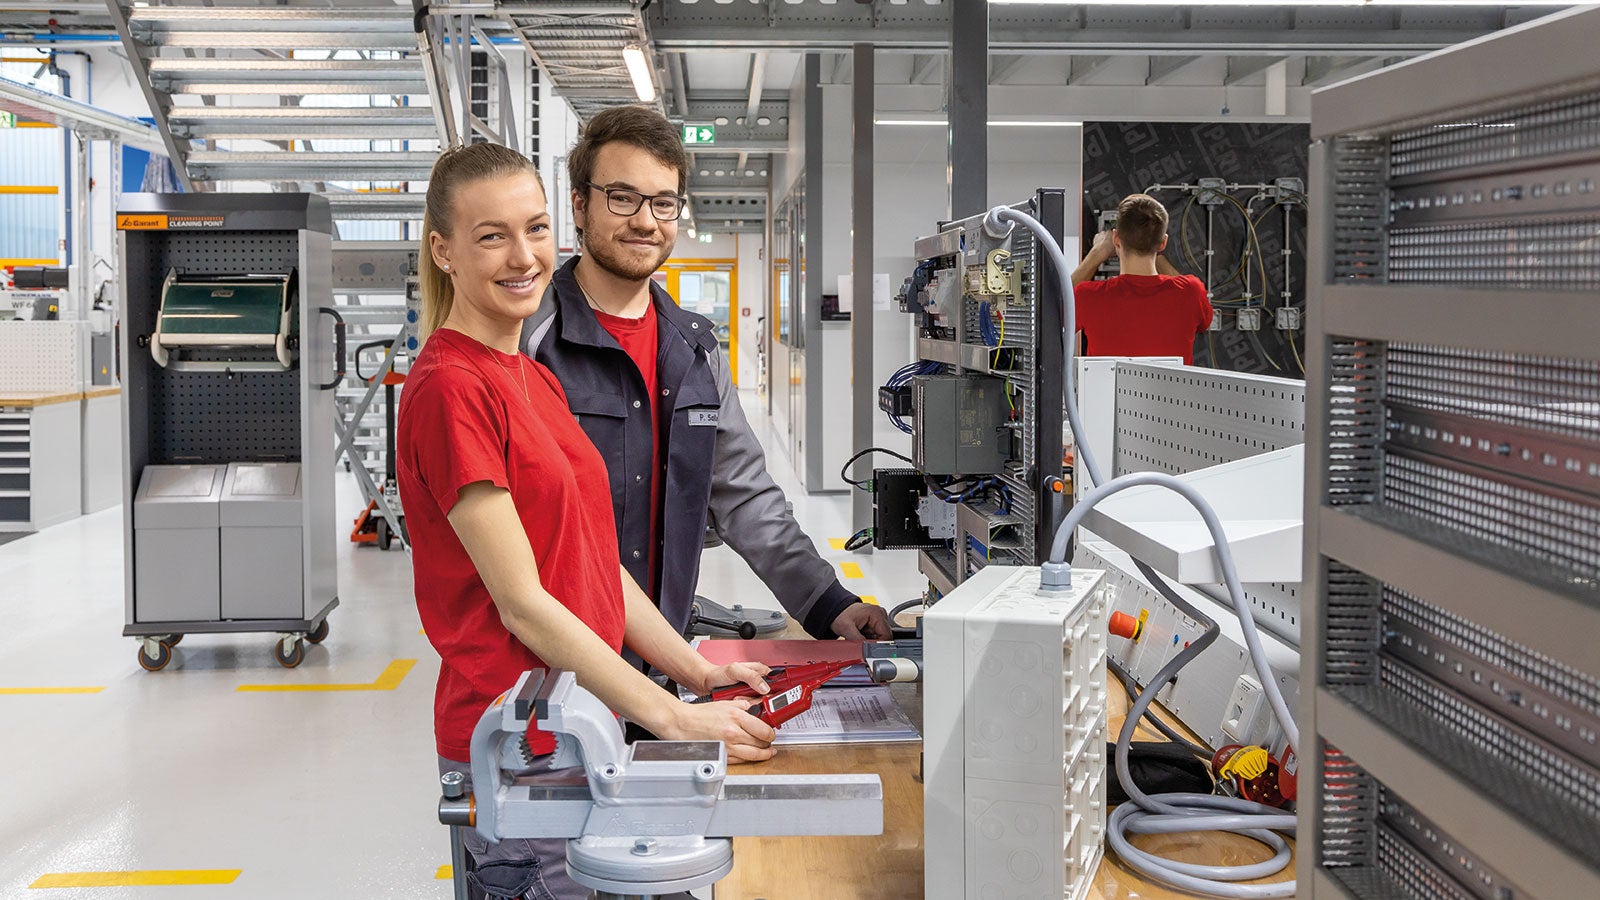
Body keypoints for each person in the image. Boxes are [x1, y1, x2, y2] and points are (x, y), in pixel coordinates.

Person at [396, 142, 777, 900]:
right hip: (520, 744)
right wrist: (674, 719)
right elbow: (523, 604)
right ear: (443, 251)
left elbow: (594, 566)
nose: (523, 256)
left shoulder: (530, 379)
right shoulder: (451, 388)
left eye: (535, 229)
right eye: (492, 236)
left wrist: (697, 673)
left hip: (583, 730)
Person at [522, 105, 891, 649]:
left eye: (663, 202)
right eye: (622, 197)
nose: (645, 221)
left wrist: (828, 601)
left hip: (663, 653)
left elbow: (742, 494)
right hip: (553, 658)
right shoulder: (530, 339)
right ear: (579, 204)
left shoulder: (695, 349)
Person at [1070, 193, 1213, 365]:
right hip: (1172, 385)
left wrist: (1097, 253)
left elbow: (1051, 311)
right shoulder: (1191, 292)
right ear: (1163, 243)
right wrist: (1153, 247)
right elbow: (1205, 322)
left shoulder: (1088, 296)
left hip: (1109, 386)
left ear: (1116, 239)